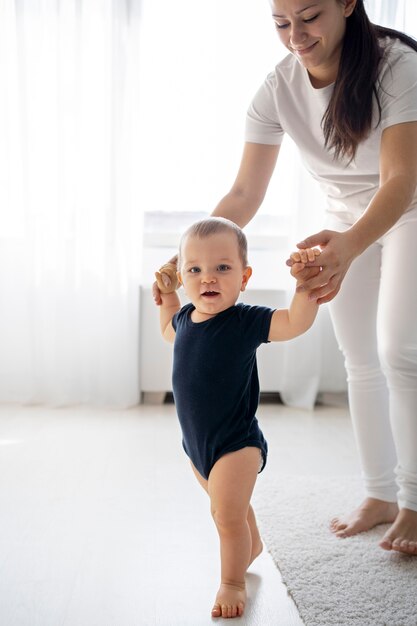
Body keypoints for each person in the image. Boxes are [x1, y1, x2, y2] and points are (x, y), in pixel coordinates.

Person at [152, 0, 417, 557]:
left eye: (309, 16)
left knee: (400, 351)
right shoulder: (277, 88)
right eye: (280, 23)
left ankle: (414, 501)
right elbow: (244, 195)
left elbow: (399, 180)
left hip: (409, 209)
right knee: (359, 356)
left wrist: (347, 248)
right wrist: (185, 260)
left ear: (348, 3)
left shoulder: (396, 66)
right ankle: (379, 493)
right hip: (344, 218)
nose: (295, 35)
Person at [157, 216, 320, 619]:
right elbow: (167, 331)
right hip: (197, 445)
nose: (207, 277)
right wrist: (167, 299)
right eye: (194, 270)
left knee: (226, 515)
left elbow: (293, 323)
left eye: (222, 268)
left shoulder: (244, 320)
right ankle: (254, 543)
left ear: (244, 277)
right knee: (231, 507)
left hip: (236, 442)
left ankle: (232, 581)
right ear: (182, 276)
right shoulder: (184, 319)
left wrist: (304, 291)